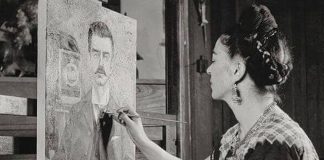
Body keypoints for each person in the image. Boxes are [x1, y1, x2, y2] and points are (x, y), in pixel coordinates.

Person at [117, 4, 319, 160]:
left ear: (237, 69)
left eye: (214, 60)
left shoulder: (276, 143)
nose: (208, 69)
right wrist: (141, 139)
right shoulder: (238, 134)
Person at [54, 21, 132, 160]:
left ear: (111, 63)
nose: (101, 63)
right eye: (96, 55)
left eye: (106, 56)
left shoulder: (124, 116)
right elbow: (61, 156)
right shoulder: (75, 112)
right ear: (89, 58)